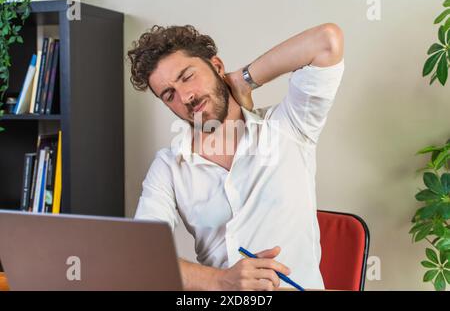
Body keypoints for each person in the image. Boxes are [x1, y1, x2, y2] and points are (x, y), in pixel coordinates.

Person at [128, 23, 344, 290]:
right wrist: (221, 280)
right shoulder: (169, 166)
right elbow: (141, 256)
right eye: (169, 94)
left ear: (217, 67)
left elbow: (326, 41)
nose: (186, 97)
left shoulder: (288, 126)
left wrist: (244, 80)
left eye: (187, 76)